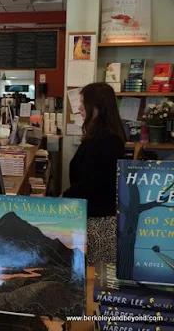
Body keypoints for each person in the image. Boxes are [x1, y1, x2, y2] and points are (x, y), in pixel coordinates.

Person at [62, 82, 125, 265]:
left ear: (97, 108)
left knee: (97, 279)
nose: (80, 108)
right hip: (94, 217)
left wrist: (65, 196)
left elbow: (92, 184)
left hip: (99, 222)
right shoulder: (100, 136)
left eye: (83, 103)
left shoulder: (105, 140)